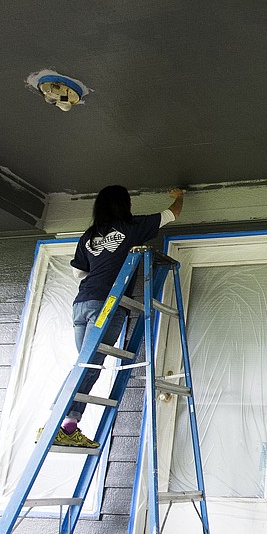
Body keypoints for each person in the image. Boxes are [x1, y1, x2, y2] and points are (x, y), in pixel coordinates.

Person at [53, 185, 184, 448]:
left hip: (82, 303)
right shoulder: (131, 227)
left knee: (85, 365)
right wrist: (180, 196)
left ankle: (67, 424)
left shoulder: (89, 236)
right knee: (89, 365)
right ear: (125, 205)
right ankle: (60, 424)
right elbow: (172, 214)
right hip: (107, 305)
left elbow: (79, 272)